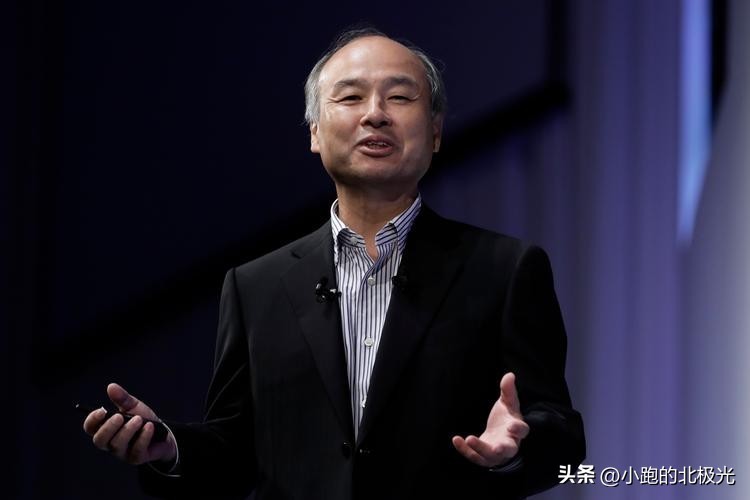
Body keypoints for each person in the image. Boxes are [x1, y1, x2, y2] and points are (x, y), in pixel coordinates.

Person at [82, 27, 585, 499]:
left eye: (400, 97)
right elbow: (233, 451)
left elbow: (561, 435)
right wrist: (168, 448)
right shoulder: (255, 286)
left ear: (435, 131)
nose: (376, 114)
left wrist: (516, 448)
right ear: (315, 133)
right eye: (350, 97)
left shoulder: (504, 269)